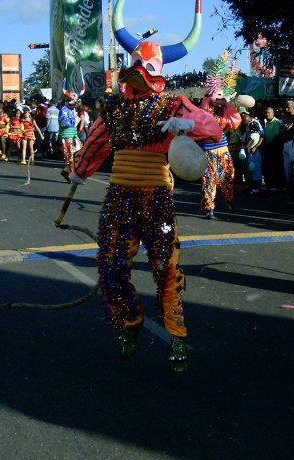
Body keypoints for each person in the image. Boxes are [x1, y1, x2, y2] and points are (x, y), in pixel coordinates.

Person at [68, 0, 221, 372]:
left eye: (146, 66)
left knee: (165, 269)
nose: (138, 72)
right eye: (135, 64)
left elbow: (213, 128)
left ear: (157, 72)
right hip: (118, 197)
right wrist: (79, 172)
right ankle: (129, 323)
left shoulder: (173, 105)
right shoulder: (114, 111)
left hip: (156, 199)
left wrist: (187, 127)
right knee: (110, 267)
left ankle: (177, 337)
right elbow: (94, 145)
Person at [198, 50, 241, 218]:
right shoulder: (205, 110)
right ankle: (209, 208)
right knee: (208, 178)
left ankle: (229, 202)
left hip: (223, 149)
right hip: (208, 150)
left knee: (229, 176)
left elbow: (234, 121)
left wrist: (228, 104)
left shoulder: (224, 112)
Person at [261, 106, 283, 191]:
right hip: (267, 146)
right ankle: (268, 184)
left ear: (273, 113)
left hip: (274, 147)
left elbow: (276, 136)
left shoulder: (276, 122)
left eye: (269, 113)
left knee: (274, 167)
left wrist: (271, 146)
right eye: (266, 112)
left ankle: (275, 185)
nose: (267, 114)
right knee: (266, 166)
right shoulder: (267, 122)